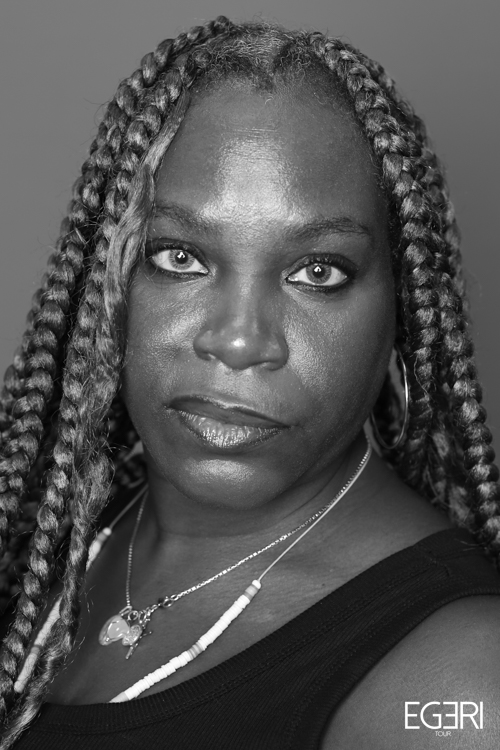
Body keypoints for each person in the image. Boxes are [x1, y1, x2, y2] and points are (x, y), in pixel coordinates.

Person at [0, 15, 499, 748]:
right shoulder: (52, 540)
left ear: (405, 312)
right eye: (179, 257)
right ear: (107, 285)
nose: (238, 341)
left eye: (318, 272)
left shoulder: (459, 687)